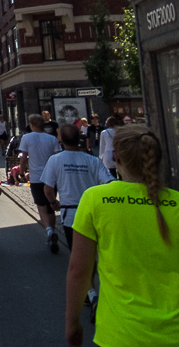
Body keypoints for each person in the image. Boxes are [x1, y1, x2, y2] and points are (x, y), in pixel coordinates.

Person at [64, 125, 178, 347]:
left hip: (120, 333)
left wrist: (72, 324)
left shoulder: (96, 199)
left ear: (116, 158)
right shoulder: (176, 203)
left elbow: (78, 271)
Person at [41, 124, 113, 250]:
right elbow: (109, 183)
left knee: (77, 252)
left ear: (61, 140)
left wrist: (53, 202)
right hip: (92, 212)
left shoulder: (55, 160)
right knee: (95, 250)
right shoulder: (93, 160)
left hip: (71, 213)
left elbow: (48, 189)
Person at [18, 113, 61, 253]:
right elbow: (57, 156)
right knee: (51, 205)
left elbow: (23, 157)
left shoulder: (26, 138)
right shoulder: (52, 138)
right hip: (51, 177)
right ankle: (53, 230)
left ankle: (49, 231)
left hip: (36, 177)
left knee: (41, 205)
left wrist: (21, 171)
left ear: (31, 125)